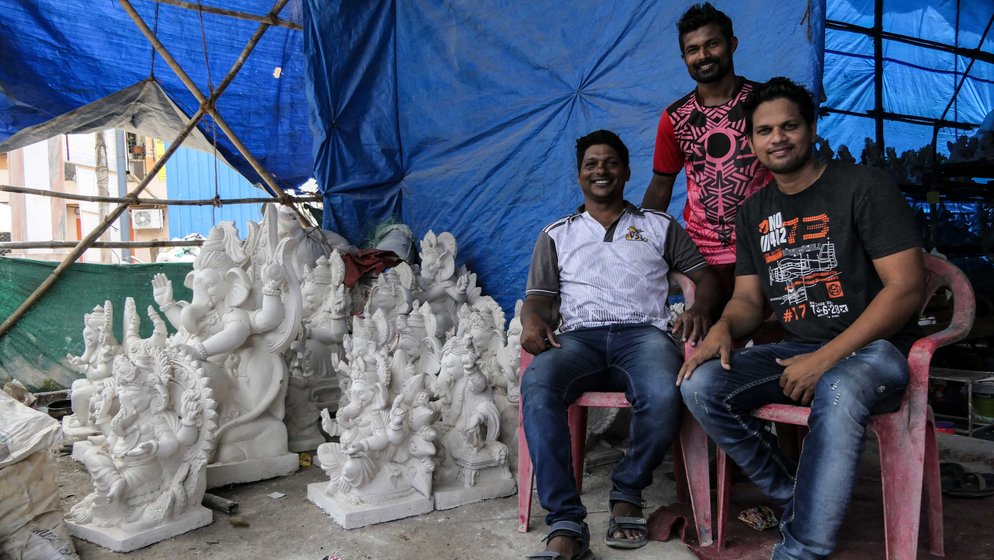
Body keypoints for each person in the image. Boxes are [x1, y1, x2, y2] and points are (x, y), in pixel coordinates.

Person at [678, 77, 925, 560]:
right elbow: (749, 301)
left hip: (878, 353)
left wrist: (827, 358)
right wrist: (724, 328)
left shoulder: (863, 186)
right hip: (798, 350)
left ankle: (801, 549)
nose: (778, 138)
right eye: (765, 130)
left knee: (835, 386)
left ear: (811, 128)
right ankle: (799, 496)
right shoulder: (753, 213)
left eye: (789, 125)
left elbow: (907, 289)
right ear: (750, 142)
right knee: (699, 386)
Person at [521, 130, 719, 559]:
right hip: (579, 339)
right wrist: (532, 321)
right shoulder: (557, 234)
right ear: (579, 175)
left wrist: (699, 307)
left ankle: (628, 490)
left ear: (627, 171)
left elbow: (703, 278)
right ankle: (565, 521)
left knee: (666, 392)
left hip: (642, 335)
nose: (601, 171)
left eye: (610, 162)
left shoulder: (658, 225)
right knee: (538, 387)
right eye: (591, 164)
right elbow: (538, 298)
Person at [642, 2, 771, 299]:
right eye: (693, 49)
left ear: (732, 44)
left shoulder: (765, 103)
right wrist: (640, 243)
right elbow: (661, 185)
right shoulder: (675, 117)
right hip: (704, 260)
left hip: (766, 247)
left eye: (712, 44)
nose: (703, 56)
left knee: (772, 340)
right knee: (709, 340)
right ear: (684, 57)